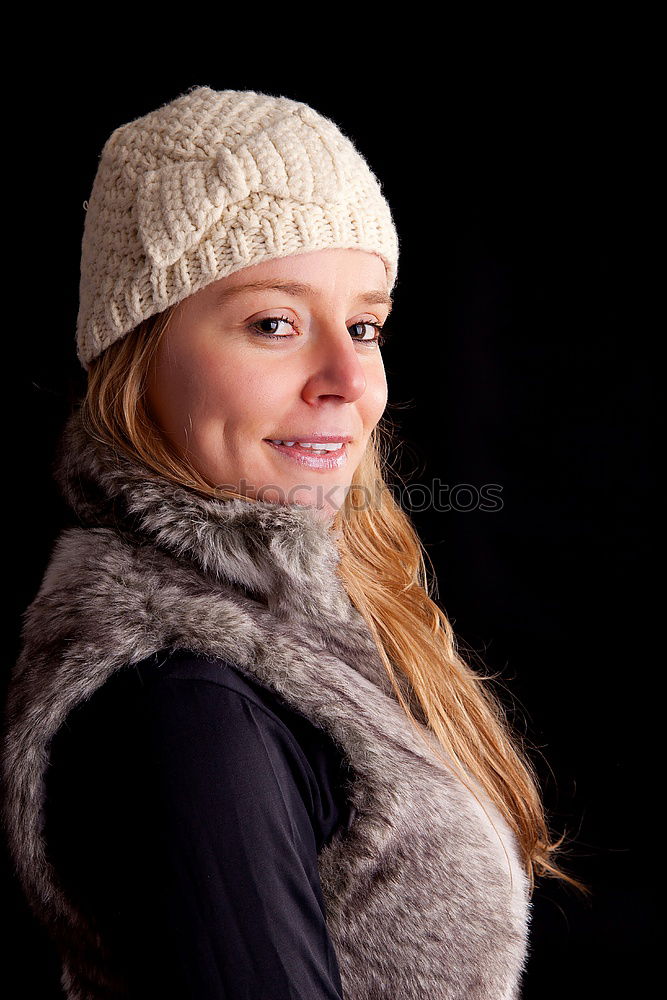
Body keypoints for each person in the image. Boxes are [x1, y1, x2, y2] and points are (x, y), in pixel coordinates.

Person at [1, 85, 586, 1000]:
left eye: (364, 325)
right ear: (139, 351)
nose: (349, 377)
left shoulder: (298, 639)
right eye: (273, 322)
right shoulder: (188, 703)